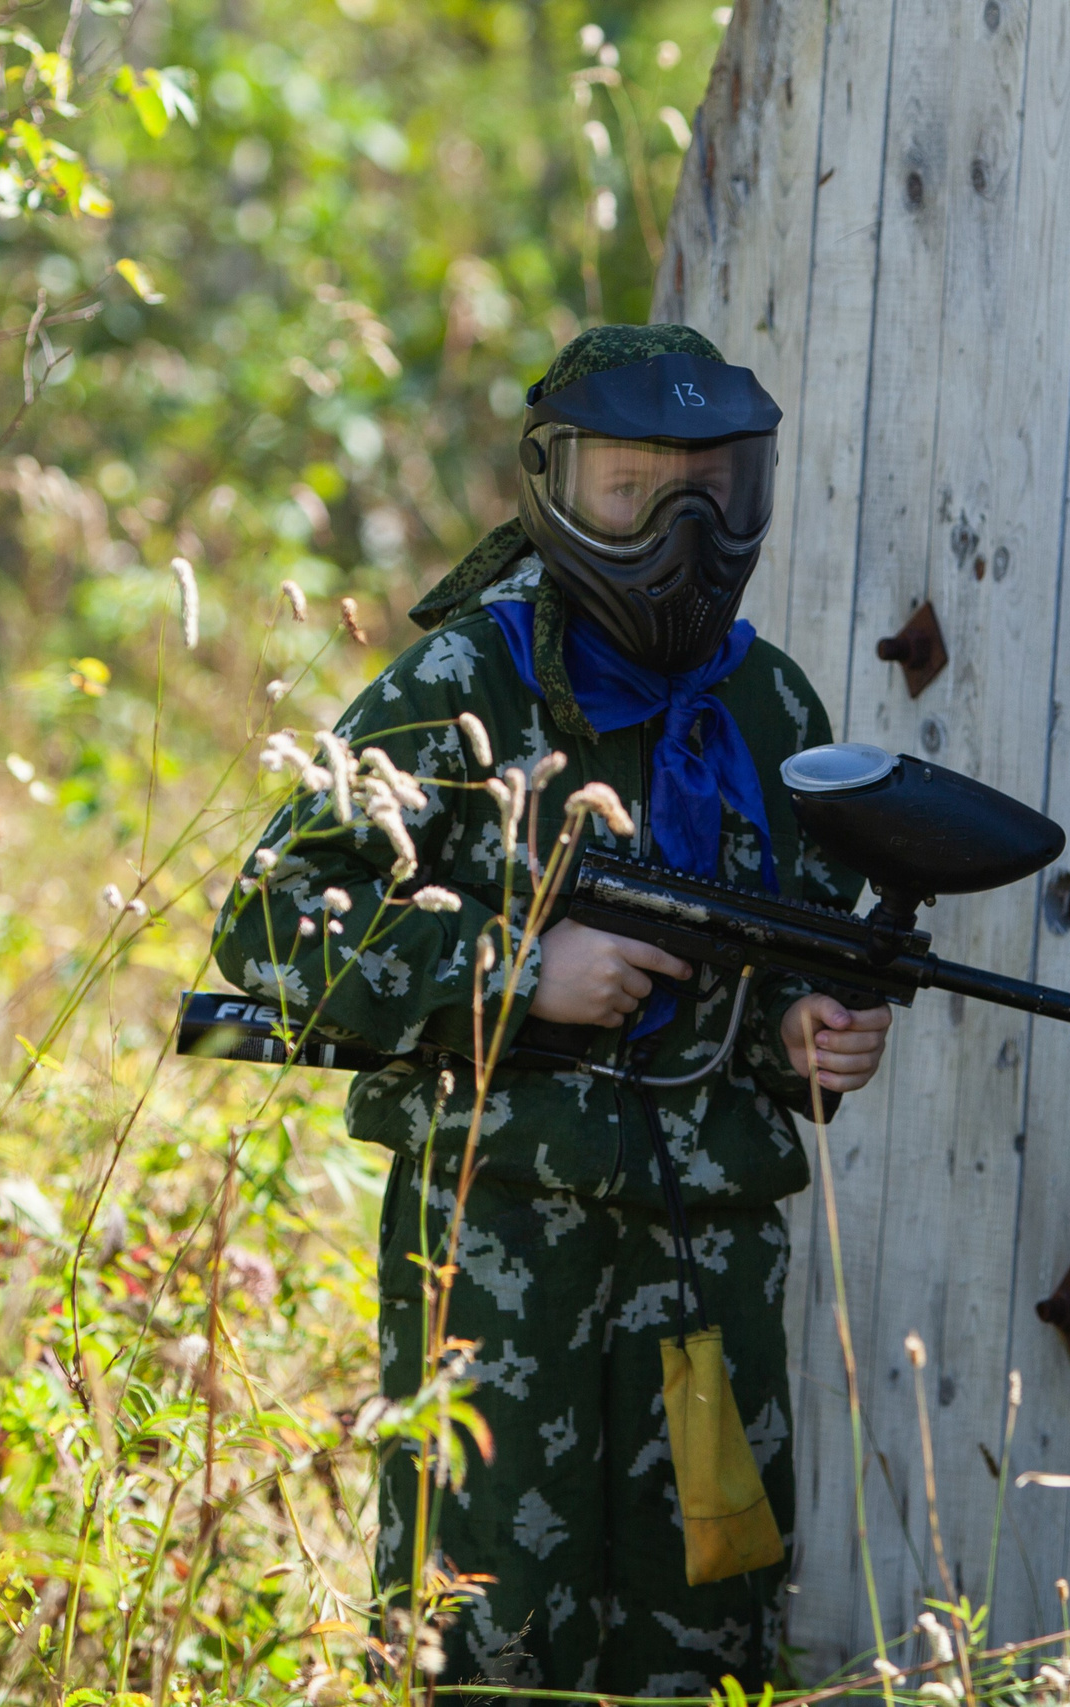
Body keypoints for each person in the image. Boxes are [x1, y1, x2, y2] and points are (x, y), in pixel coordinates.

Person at [214, 324, 892, 1692]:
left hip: (712, 1263)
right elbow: (271, 918)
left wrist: (807, 1030)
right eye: (633, 489)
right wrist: (520, 973)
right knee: (489, 1630)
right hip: (500, 1243)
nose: (681, 528)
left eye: (716, 488)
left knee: (714, 1628)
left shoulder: (765, 702)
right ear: (554, 488)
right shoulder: (470, 682)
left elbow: (774, 964)